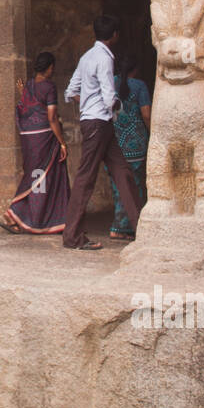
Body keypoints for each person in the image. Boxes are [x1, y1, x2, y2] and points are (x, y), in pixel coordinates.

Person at [62, 16, 142, 250]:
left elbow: (71, 91)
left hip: (97, 123)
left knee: (123, 173)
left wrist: (87, 103)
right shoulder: (105, 58)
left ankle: (143, 229)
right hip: (100, 123)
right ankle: (72, 236)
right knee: (86, 179)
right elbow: (109, 97)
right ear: (114, 34)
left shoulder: (86, 57)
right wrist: (117, 105)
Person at [2, 52, 70, 234]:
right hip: (44, 138)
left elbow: (27, 106)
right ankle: (28, 215)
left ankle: (21, 215)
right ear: (49, 68)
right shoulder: (49, 87)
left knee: (35, 176)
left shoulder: (29, 85)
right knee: (42, 177)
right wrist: (62, 142)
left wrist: (22, 92)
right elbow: (52, 117)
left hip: (29, 139)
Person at [106, 54, 151, 241]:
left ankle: (118, 226)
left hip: (115, 143)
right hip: (136, 143)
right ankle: (134, 226)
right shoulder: (139, 86)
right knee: (136, 185)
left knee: (117, 185)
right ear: (135, 70)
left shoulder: (110, 83)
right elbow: (146, 114)